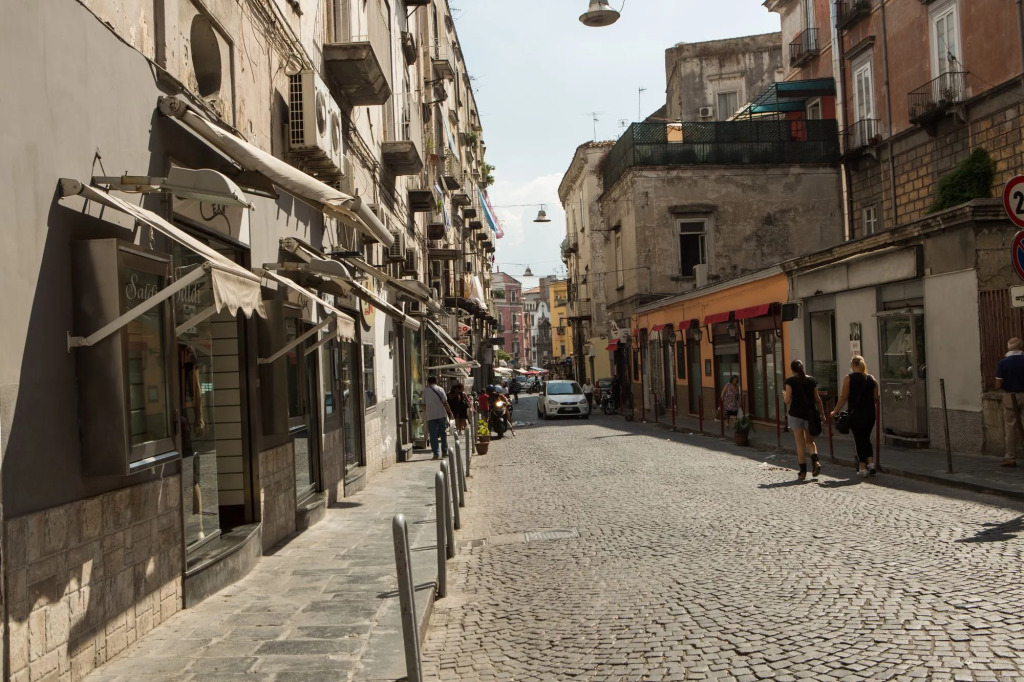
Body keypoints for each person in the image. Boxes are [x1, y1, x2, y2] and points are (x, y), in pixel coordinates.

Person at [831, 355, 880, 477]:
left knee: (859, 440)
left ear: (853, 365)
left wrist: (835, 411)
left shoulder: (849, 378)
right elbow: (875, 397)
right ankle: (871, 464)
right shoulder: (872, 379)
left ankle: (862, 467)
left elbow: (843, 397)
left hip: (856, 414)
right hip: (870, 414)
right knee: (866, 438)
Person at [784, 359, 825, 481]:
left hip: (796, 414)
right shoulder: (811, 380)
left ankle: (802, 472)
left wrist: (784, 395)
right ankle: (815, 462)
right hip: (809, 415)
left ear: (792, 370)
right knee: (810, 442)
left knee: (800, 443)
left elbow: (787, 401)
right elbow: (817, 399)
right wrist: (822, 415)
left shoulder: (790, 381)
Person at [996, 337, 1024, 467]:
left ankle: (1010, 457)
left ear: (1009, 347)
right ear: (1020, 346)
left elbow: (998, 384)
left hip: (1009, 395)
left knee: (1010, 427)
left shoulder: (1003, 363)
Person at [422, 376, 453, 460]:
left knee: (433, 435)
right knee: (443, 433)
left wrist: (425, 414)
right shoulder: (440, 389)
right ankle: (444, 452)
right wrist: (450, 413)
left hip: (430, 416)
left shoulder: (425, 391)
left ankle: (436, 453)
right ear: (436, 381)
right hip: (441, 414)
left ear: (428, 382)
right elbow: (445, 402)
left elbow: (423, 404)